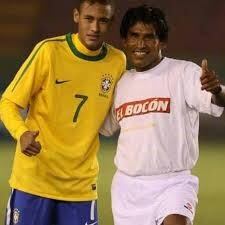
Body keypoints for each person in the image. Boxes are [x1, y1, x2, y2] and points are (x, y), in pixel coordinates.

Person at [0, 0, 126, 224]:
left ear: (111, 22)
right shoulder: (49, 51)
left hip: (81, 188)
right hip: (34, 181)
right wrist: (21, 132)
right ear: (76, 16)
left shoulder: (117, 61)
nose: (95, 27)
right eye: (89, 19)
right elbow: (8, 102)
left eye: (102, 20)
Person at [100, 5, 225, 225]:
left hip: (173, 183)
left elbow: (218, 102)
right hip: (128, 189)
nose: (140, 44)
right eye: (135, 36)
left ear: (162, 42)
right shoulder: (121, 84)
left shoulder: (184, 73)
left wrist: (216, 90)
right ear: (124, 41)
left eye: (149, 37)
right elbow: (103, 127)